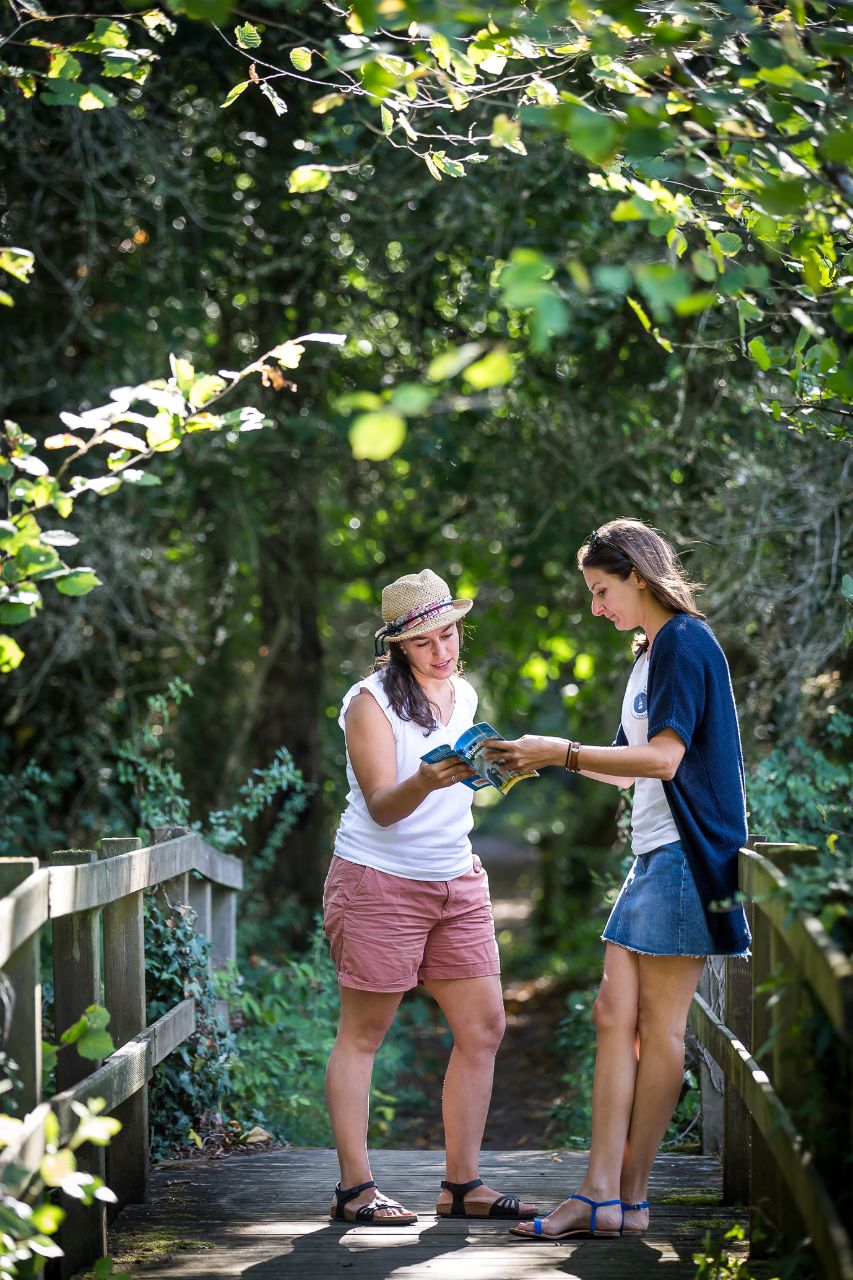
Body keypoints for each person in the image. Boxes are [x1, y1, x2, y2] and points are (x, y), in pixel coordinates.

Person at [485, 519, 751, 1241]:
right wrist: (542, 757)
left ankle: (620, 1198)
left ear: (637, 575)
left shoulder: (684, 643)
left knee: (657, 1029)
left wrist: (563, 752)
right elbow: (629, 760)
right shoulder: (651, 654)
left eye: (602, 591)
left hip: (687, 857)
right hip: (654, 855)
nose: (596, 607)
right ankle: (608, 1197)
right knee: (613, 1015)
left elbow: (665, 760)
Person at [323, 569, 537, 1227]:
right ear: (397, 645)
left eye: (448, 634)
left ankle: (461, 1185)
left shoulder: (462, 692)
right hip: (378, 879)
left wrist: (497, 767)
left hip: (457, 879)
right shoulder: (369, 702)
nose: (441, 651)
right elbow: (385, 807)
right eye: (423, 643)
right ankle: (355, 1191)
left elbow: (461, 786)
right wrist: (426, 779)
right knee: (365, 1032)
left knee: (483, 1027)